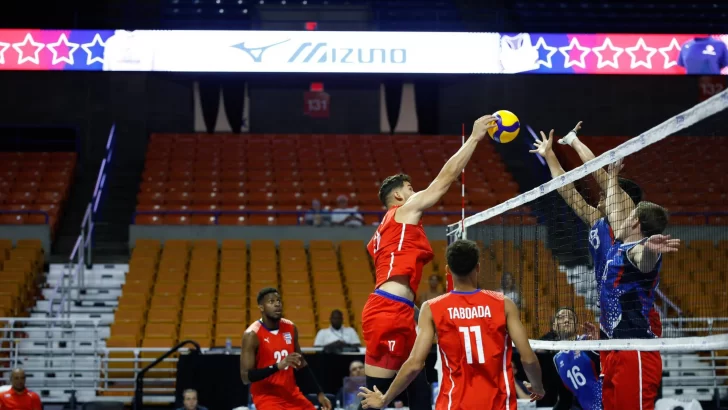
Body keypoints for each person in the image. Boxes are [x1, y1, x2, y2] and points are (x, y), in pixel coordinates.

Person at [361, 114, 498, 409]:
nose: (415, 193)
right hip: (388, 311)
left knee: (418, 389)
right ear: (398, 195)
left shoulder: (381, 231)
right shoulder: (405, 209)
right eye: (410, 189)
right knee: (374, 395)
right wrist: (474, 138)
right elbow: (444, 180)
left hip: (400, 310)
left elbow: (370, 250)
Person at [358, 240, 545, 410]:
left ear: (448, 270)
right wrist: (537, 387)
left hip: (453, 404)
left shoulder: (432, 308)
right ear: (478, 267)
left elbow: (415, 364)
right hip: (498, 403)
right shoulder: (503, 303)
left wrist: (385, 399)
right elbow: (528, 359)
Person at [600, 161, 679, 410]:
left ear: (634, 221)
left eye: (629, 213)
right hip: (614, 348)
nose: (621, 216)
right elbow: (613, 208)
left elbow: (643, 262)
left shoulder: (635, 251)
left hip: (636, 351)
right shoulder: (619, 244)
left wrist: (650, 251)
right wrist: (612, 177)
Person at [240, 288, 332, 410]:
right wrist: (278, 366)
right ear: (261, 307)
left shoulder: (290, 327)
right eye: (271, 301)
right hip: (266, 396)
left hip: (291, 393)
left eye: (278, 301)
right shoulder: (252, 334)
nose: (277, 304)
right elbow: (246, 377)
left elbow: (301, 364)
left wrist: (319, 394)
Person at [551, 308, 602, 410]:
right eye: (561, 318)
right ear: (554, 326)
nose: (566, 320)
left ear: (576, 325)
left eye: (571, 317)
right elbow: (565, 399)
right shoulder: (557, 359)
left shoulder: (587, 340)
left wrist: (597, 345)